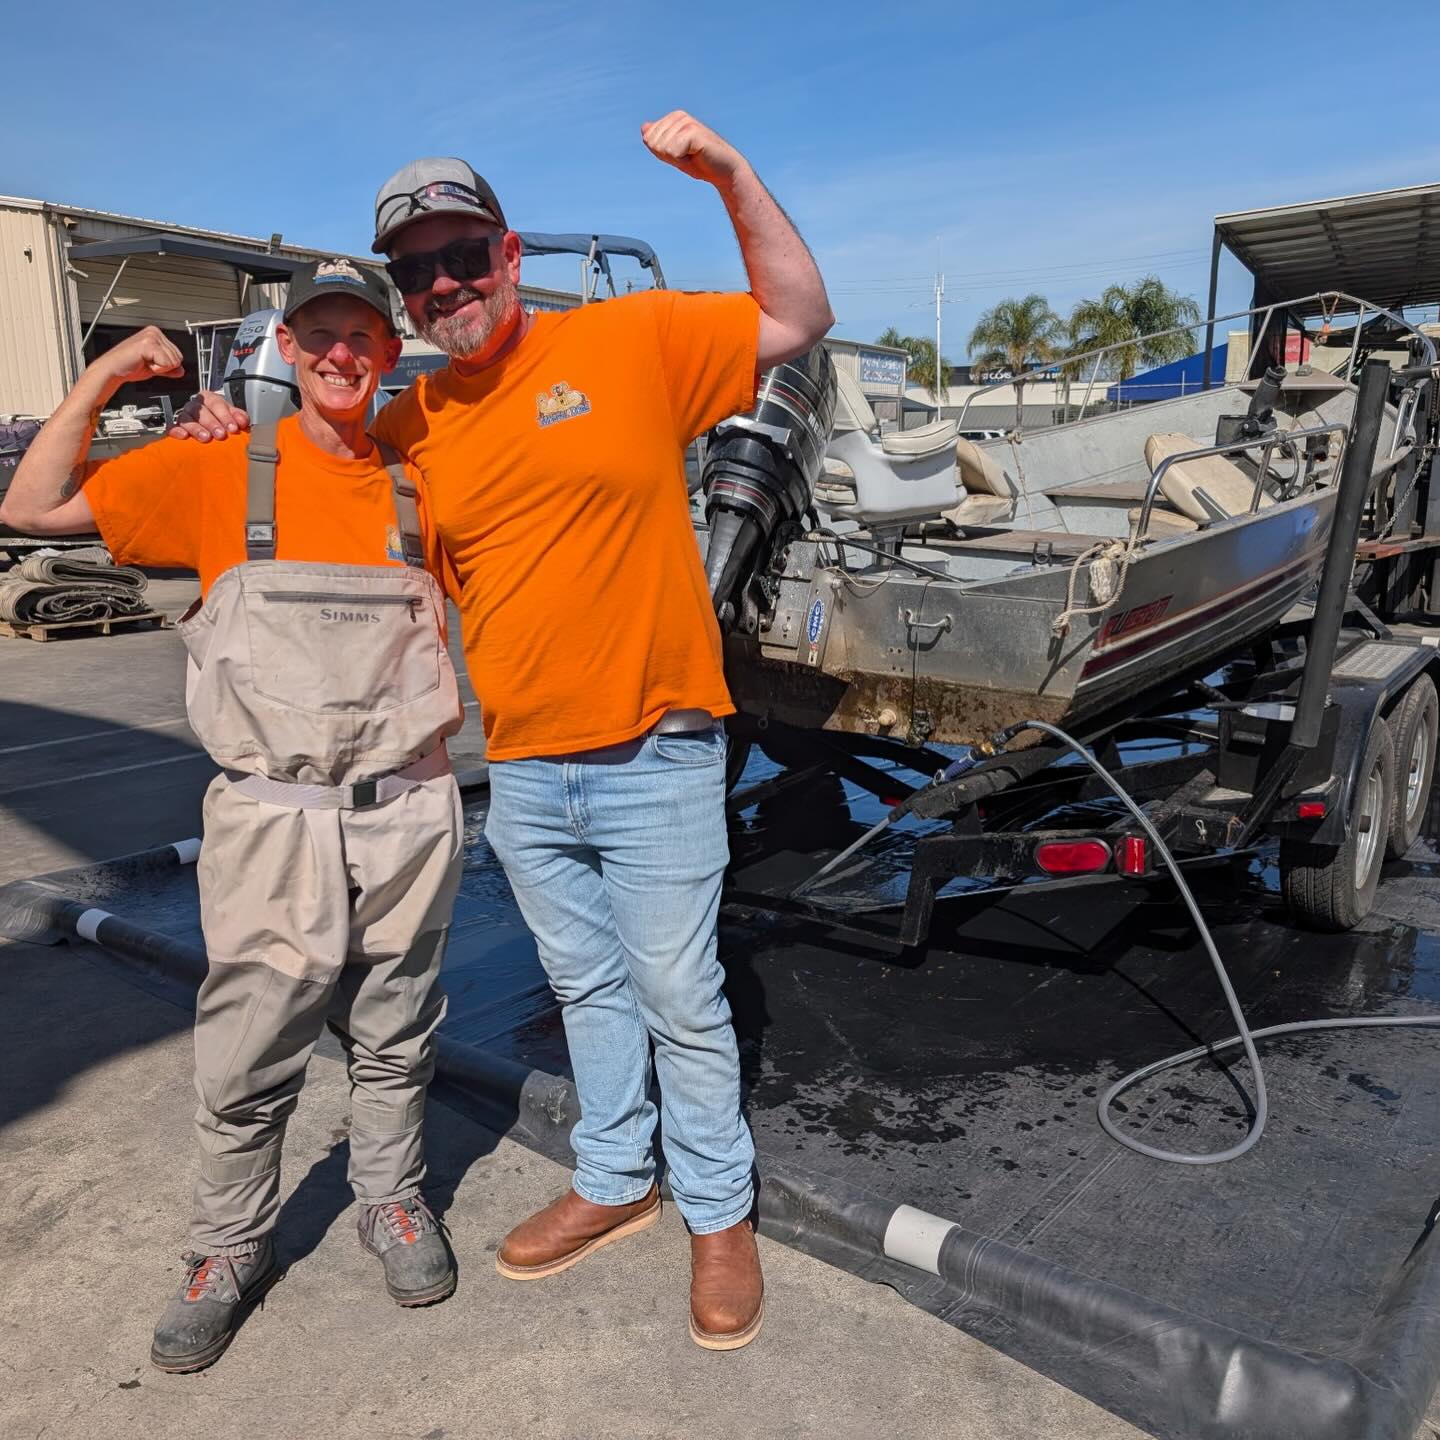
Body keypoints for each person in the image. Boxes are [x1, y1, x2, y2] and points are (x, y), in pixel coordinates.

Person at [177, 110, 834, 1351]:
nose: (444, 284)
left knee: (681, 997)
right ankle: (613, 1177)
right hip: (524, 767)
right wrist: (223, 425)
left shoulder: (632, 339)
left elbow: (797, 317)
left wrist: (732, 175)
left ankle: (717, 1212)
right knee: (585, 986)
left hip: (656, 746)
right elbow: (316, 461)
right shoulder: (414, 428)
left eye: (462, 255)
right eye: (417, 271)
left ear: (509, 251)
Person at [0, 259, 467, 1372]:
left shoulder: (425, 478)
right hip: (272, 816)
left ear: (389, 354)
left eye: (362, 336)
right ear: (290, 353)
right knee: (251, 1047)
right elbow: (26, 505)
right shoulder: (215, 468)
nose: (342, 355)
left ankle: (392, 1201)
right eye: (320, 337)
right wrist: (111, 369)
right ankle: (224, 1247)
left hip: (408, 810)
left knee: (398, 1031)